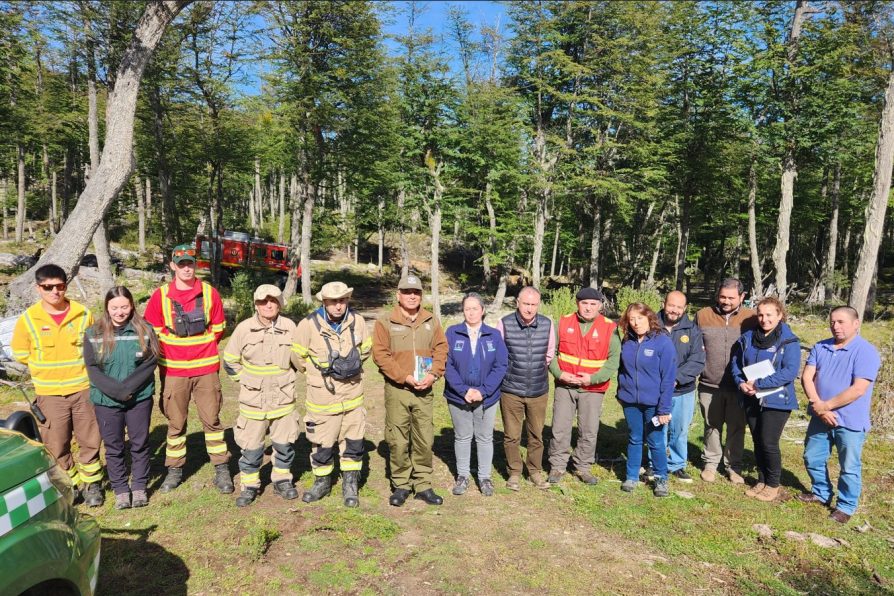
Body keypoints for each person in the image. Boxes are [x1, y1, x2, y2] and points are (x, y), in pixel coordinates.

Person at [11, 264, 104, 506]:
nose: (55, 292)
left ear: (66, 286)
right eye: (48, 287)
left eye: (60, 286)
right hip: (49, 395)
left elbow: (96, 348)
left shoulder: (83, 314)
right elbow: (20, 353)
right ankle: (70, 484)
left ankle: (93, 485)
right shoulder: (29, 319)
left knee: (90, 439)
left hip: (83, 389)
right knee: (56, 443)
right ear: (38, 288)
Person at [143, 246, 232, 494]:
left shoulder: (209, 293)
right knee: (175, 423)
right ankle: (174, 470)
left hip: (205, 369)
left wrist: (199, 349)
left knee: (212, 420)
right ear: (172, 265)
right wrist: (174, 351)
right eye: (181, 263)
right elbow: (152, 331)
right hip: (173, 372)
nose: (186, 268)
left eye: (190, 263)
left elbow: (218, 327)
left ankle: (221, 468)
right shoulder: (160, 296)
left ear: (195, 265)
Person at [798, 306, 882, 523]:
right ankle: (821, 492)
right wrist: (818, 405)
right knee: (812, 456)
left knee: (849, 465)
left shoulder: (865, 352)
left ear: (856, 324)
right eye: (833, 322)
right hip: (820, 415)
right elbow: (807, 377)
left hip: (850, 420)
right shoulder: (821, 347)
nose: (836, 326)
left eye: (841, 322)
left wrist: (827, 406)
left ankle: (846, 506)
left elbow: (858, 389)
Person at [291, 281, 371, 507]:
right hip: (322, 399)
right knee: (322, 444)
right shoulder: (308, 325)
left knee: (354, 443)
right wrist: (317, 376)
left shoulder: (358, 321)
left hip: (353, 396)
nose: (338, 305)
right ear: (324, 302)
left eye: (342, 300)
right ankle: (322, 482)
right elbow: (298, 357)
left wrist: (348, 369)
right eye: (333, 301)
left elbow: (366, 350)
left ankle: (350, 485)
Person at [372, 274, 448, 507]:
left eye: (416, 292)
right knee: (398, 439)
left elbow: (441, 349)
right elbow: (381, 355)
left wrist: (433, 374)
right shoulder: (385, 322)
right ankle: (401, 484)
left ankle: (423, 484)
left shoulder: (431, 320)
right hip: (398, 389)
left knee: (424, 438)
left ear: (421, 296)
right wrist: (403, 377)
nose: (412, 296)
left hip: (424, 388)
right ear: (398, 295)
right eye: (407, 292)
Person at [223, 284, 300, 507]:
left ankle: (282, 480)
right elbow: (229, 360)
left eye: (273, 301)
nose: (268, 305)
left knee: (284, 444)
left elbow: (299, 358)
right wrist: (245, 381)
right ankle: (249, 485)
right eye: (263, 301)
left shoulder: (289, 327)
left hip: (283, 398)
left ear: (280, 304)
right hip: (253, 400)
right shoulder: (244, 329)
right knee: (252, 447)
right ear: (256, 304)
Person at [83, 287, 159, 510]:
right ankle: (120, 490)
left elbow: (150, 362)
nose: (119, 312)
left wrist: (129, 389)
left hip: (139, 398)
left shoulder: (145, 329)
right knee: (114, 446)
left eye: (124, 306)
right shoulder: (93, 333)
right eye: (114, 307)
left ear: (132, 305)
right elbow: (93, 368)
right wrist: (117, 392)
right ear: (107, 307)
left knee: (139, 443)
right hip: (107, 400)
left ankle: (138, 487)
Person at [548, 287, 620, 485]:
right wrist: (559, 373)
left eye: (593, 304)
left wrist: (593, 378)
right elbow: (550, 353)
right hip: (565, 385)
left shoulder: (609, 327)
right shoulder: (562, 322)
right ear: (577, 303)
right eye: (584, 303)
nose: (588, 308)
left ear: (600, 306)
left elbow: (614, 360)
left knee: (589, 429)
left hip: (593, 388)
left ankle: (583, 466)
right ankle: (558, 465)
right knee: (560, 427)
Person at [730, 297, 800, 502]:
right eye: (760, 314)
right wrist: (740, 383)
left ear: (780, 315)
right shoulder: (748, 337)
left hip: (776, 399)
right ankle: (761, 479)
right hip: (751, 397)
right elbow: (735, 364)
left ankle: (773, 484)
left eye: (769, 314)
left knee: (769, 441)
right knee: (758, 440)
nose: (764, 319)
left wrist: (759, 384)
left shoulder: (789, 341)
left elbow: (789, 372)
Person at [444, 293, 508, 497]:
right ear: (463, 311)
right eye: (467, 309)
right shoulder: (452, 333)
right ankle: (462, 475)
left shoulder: (493, 335)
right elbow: (447, 364)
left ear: (482, 310)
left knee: (484, 437)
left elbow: (501, 365)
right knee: (462, 436)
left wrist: (483, 391)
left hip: (487, 398)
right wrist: (464, 391)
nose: (471, 312)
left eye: (475, 308)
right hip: (458, 396)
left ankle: (484, 477)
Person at [694, 278, 757, 483]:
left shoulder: (752, 318)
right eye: (722, 296)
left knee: (737, 426)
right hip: (709, 382)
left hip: (740, 385)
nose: (726, 301)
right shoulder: (703, 315)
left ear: (742, 297)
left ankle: (733, 466)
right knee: (711, 424)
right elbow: (694, 345)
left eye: (731, 298)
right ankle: (710, 463)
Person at [494, 286, 554, 490]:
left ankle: (535, 471)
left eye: (534, 304)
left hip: (538, 390)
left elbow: (549, 355)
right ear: (517, 302)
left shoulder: (547, 324)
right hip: (511, 390)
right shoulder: (504, 324)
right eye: (526, 304)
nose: (529, 309)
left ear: (539, 304)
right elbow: (499, 355)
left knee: (536, 434)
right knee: (512, 435)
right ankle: (514, 472)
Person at [616, 303, 677, 497]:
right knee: (634, 437)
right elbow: (621, 369)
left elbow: (668, 378)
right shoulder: (627, 341)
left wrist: (664, 409)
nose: (635, 323)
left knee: (656, 440)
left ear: (649, 318)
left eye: (640, 318)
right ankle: (632, 476)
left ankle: (661, 479)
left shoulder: (663, 342)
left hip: (654, 403)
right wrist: (621, 392)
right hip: (630, 401)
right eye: (631, 319)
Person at [656, 291, 705, 483]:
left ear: (685, 309)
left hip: (682, 390)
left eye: (679, 307)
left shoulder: (692, 330)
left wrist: (674, 378)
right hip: (656, 390)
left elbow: (697, 360)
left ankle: (676, 464)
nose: (674, 310)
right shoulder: (652, 325)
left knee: (679, 429)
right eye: (671, 305)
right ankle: (655, 463)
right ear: (664, 303)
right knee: (657, 428)